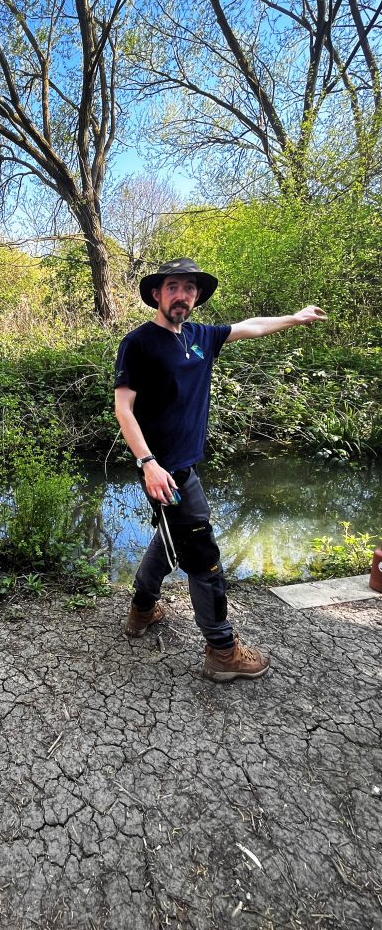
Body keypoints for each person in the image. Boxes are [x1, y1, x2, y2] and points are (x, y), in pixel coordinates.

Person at [114, 258, 327, 681]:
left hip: (184, 465)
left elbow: (251, 325)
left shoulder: (200, 336)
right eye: (173, 286)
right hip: (162, 470)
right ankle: (222, 649)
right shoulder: (139, 342)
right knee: (203, 555)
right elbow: (124, 408)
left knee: (172, 535)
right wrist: (148, 463)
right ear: (157, 294)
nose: (182, 295)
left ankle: (142, 610)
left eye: (190, 288)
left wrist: (295, 318)